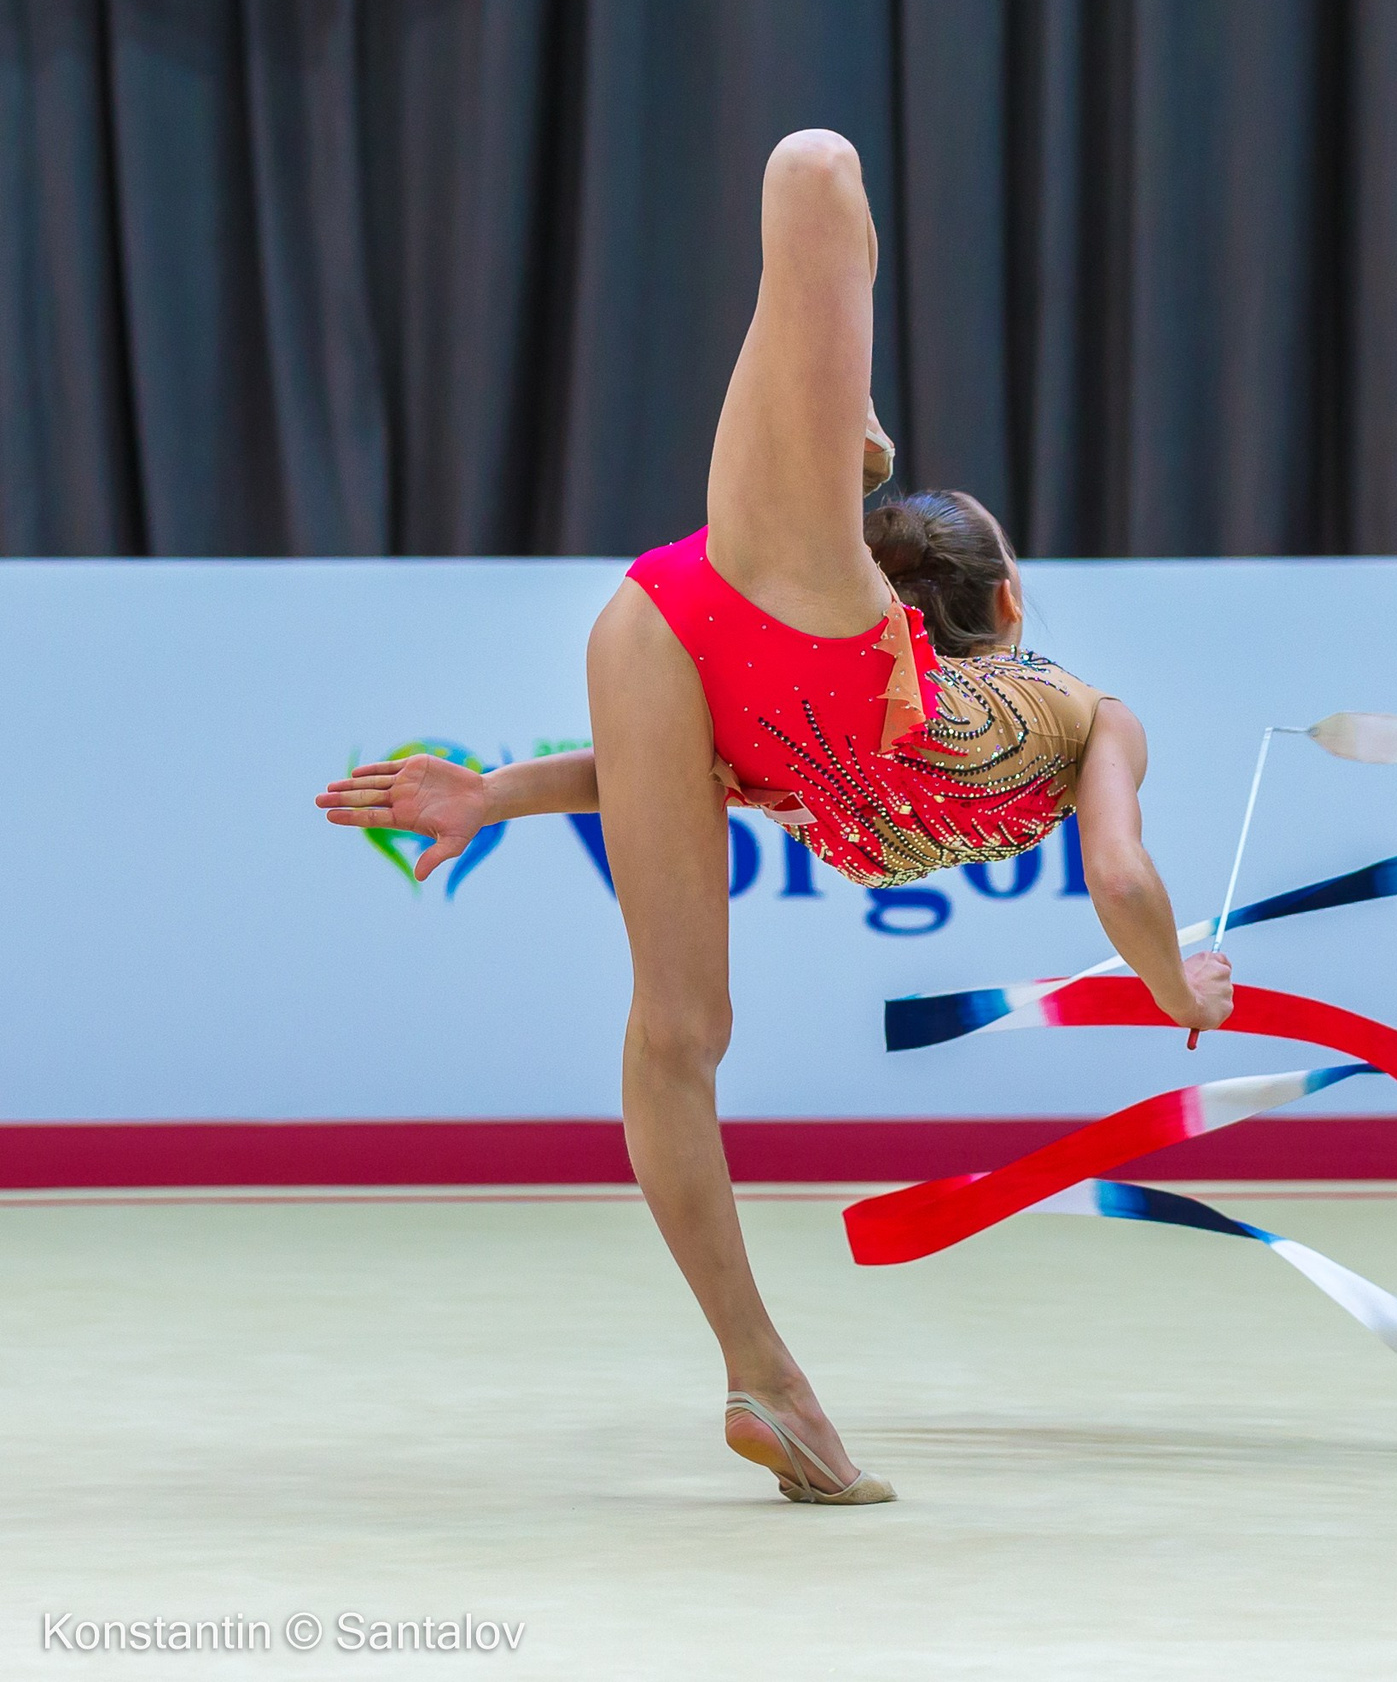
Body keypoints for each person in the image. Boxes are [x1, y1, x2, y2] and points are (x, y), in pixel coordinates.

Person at [314, 131, 1233, 1507]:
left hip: (689, 632)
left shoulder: (1013, 694)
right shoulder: (1093, 714)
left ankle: (764, 1367)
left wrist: (504, 793)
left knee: (818, 171)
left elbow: (659, 780)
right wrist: (1181, 985)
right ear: (1014, 605)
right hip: (813, 648)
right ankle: (763, 1378)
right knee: (685, 1036)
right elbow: (1119, 878)